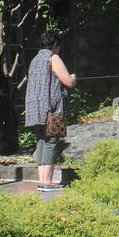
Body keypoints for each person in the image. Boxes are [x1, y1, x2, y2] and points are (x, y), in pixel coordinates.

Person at [23, 30, 76, 192]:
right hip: (52, 107)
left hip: (34, 107)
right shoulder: (53, 58)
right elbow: (68, 81)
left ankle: (42, 179)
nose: (58, 49)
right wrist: (74, 77)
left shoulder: (35, 59)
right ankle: (47, 181)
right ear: (54, 45)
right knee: (51, 141)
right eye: (58, 46)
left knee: (41, 141)